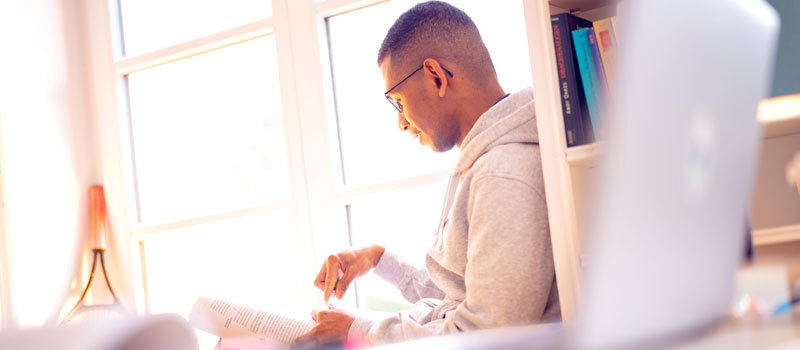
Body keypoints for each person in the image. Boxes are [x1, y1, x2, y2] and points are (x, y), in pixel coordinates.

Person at [295, 1, 560, 346]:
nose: (402, 123)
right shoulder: (484, 160)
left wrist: (358, 332)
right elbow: (461, 293)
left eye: (399, 102)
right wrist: (377, 258)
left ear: (435, 76)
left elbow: (487, 333)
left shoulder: (501, 176)